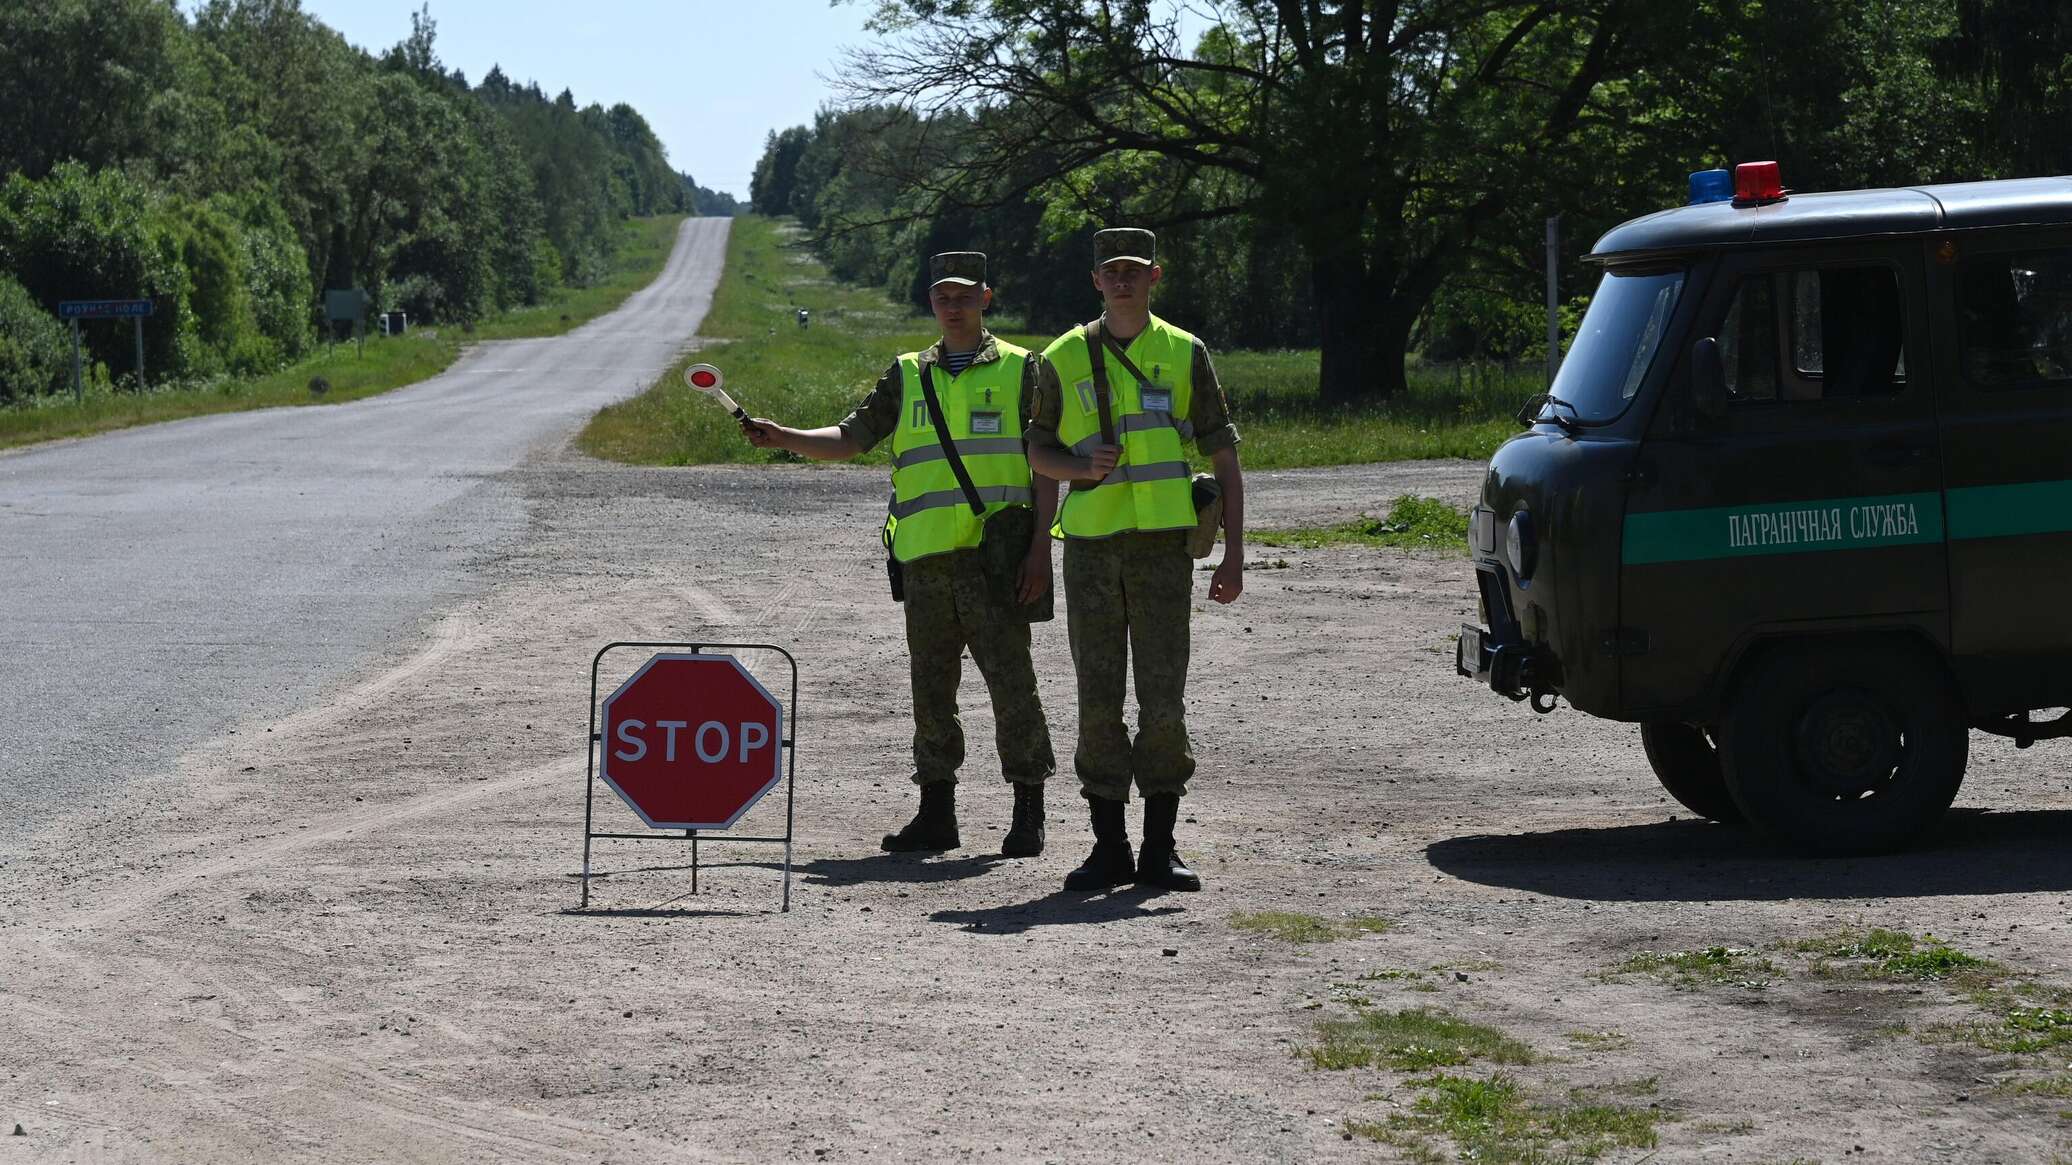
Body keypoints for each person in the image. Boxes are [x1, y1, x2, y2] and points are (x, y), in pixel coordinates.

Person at [741, 252, 1058, 856]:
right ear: (931, 302)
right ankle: (937, 812)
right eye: (943, 295)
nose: (954, 304)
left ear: (986, 297)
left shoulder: (1025, 370)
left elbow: (1045, 464)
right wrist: (785, 436)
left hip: (996, 562)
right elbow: (851, 437)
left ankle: (1028, 810)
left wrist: (1041, 549)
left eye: (965, 294)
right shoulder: (908, 373)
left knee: (1013, 685)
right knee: (930, 689)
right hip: (925, 561)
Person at [1024, 227, 1245, 892]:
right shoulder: (1061, 356)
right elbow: (1036, 451)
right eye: (1110, 271)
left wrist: (1234, 553)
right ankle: (1108, 845)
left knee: (1163, 701)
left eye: (1134, 270)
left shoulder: (1185, 352)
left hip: (1161, 552)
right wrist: (1075, 466)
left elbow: (1224, 459)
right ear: (1095, 280)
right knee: (1097, 699)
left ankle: (1160, 846)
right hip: (1091, 549)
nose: (1121, 281)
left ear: (1155, 276)